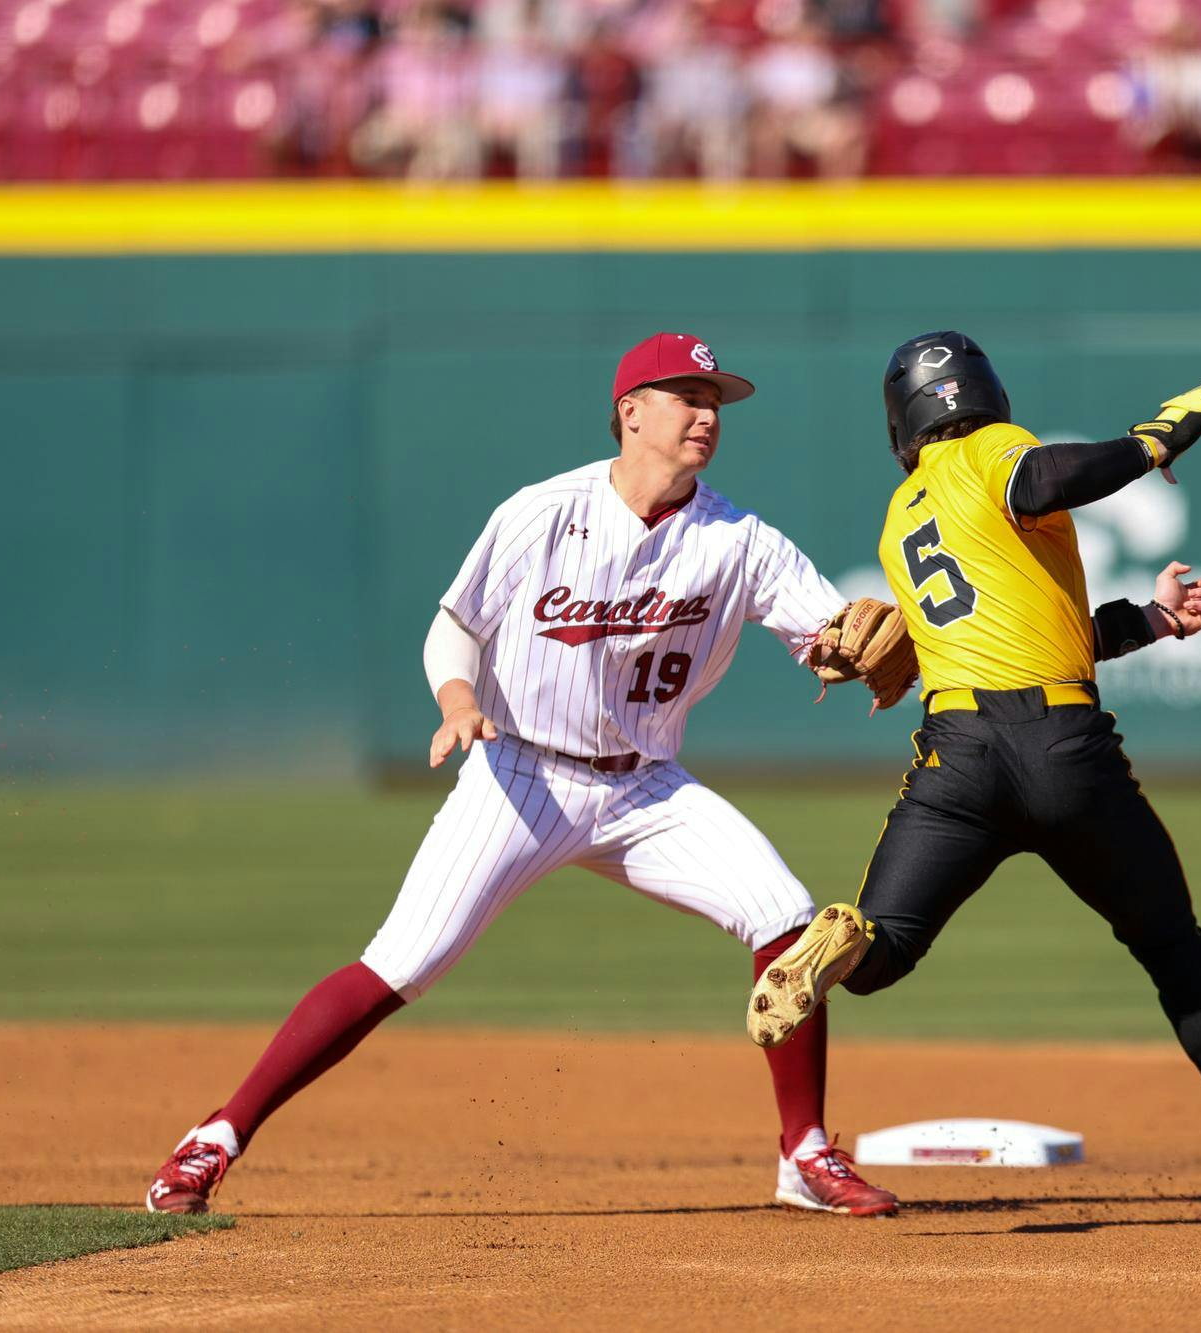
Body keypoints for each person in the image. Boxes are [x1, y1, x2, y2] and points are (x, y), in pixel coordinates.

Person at [146, 332, 902, 1218]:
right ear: (629, 411)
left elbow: (832, 630)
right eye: (685, 396)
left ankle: (803, 1153)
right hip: (521, 775)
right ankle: (216, 1136)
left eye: (716, 401)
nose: (706, 414)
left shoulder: (740, 539)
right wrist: (458, 699)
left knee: (786, 918)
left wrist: (855, 643)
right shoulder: (542, 512)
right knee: (401, 963)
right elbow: (453, 626)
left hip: (645, 788)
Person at [746, 332, 1201, 1197]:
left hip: (958, 760)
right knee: (1171, 945)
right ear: (985, 392)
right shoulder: (994, 451)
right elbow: (1048, 479)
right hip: (1066, 752)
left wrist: (1153, 618)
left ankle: (839, 942)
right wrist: (1152, 443)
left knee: (883, 954)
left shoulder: (904, 511)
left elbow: (1041, 634)